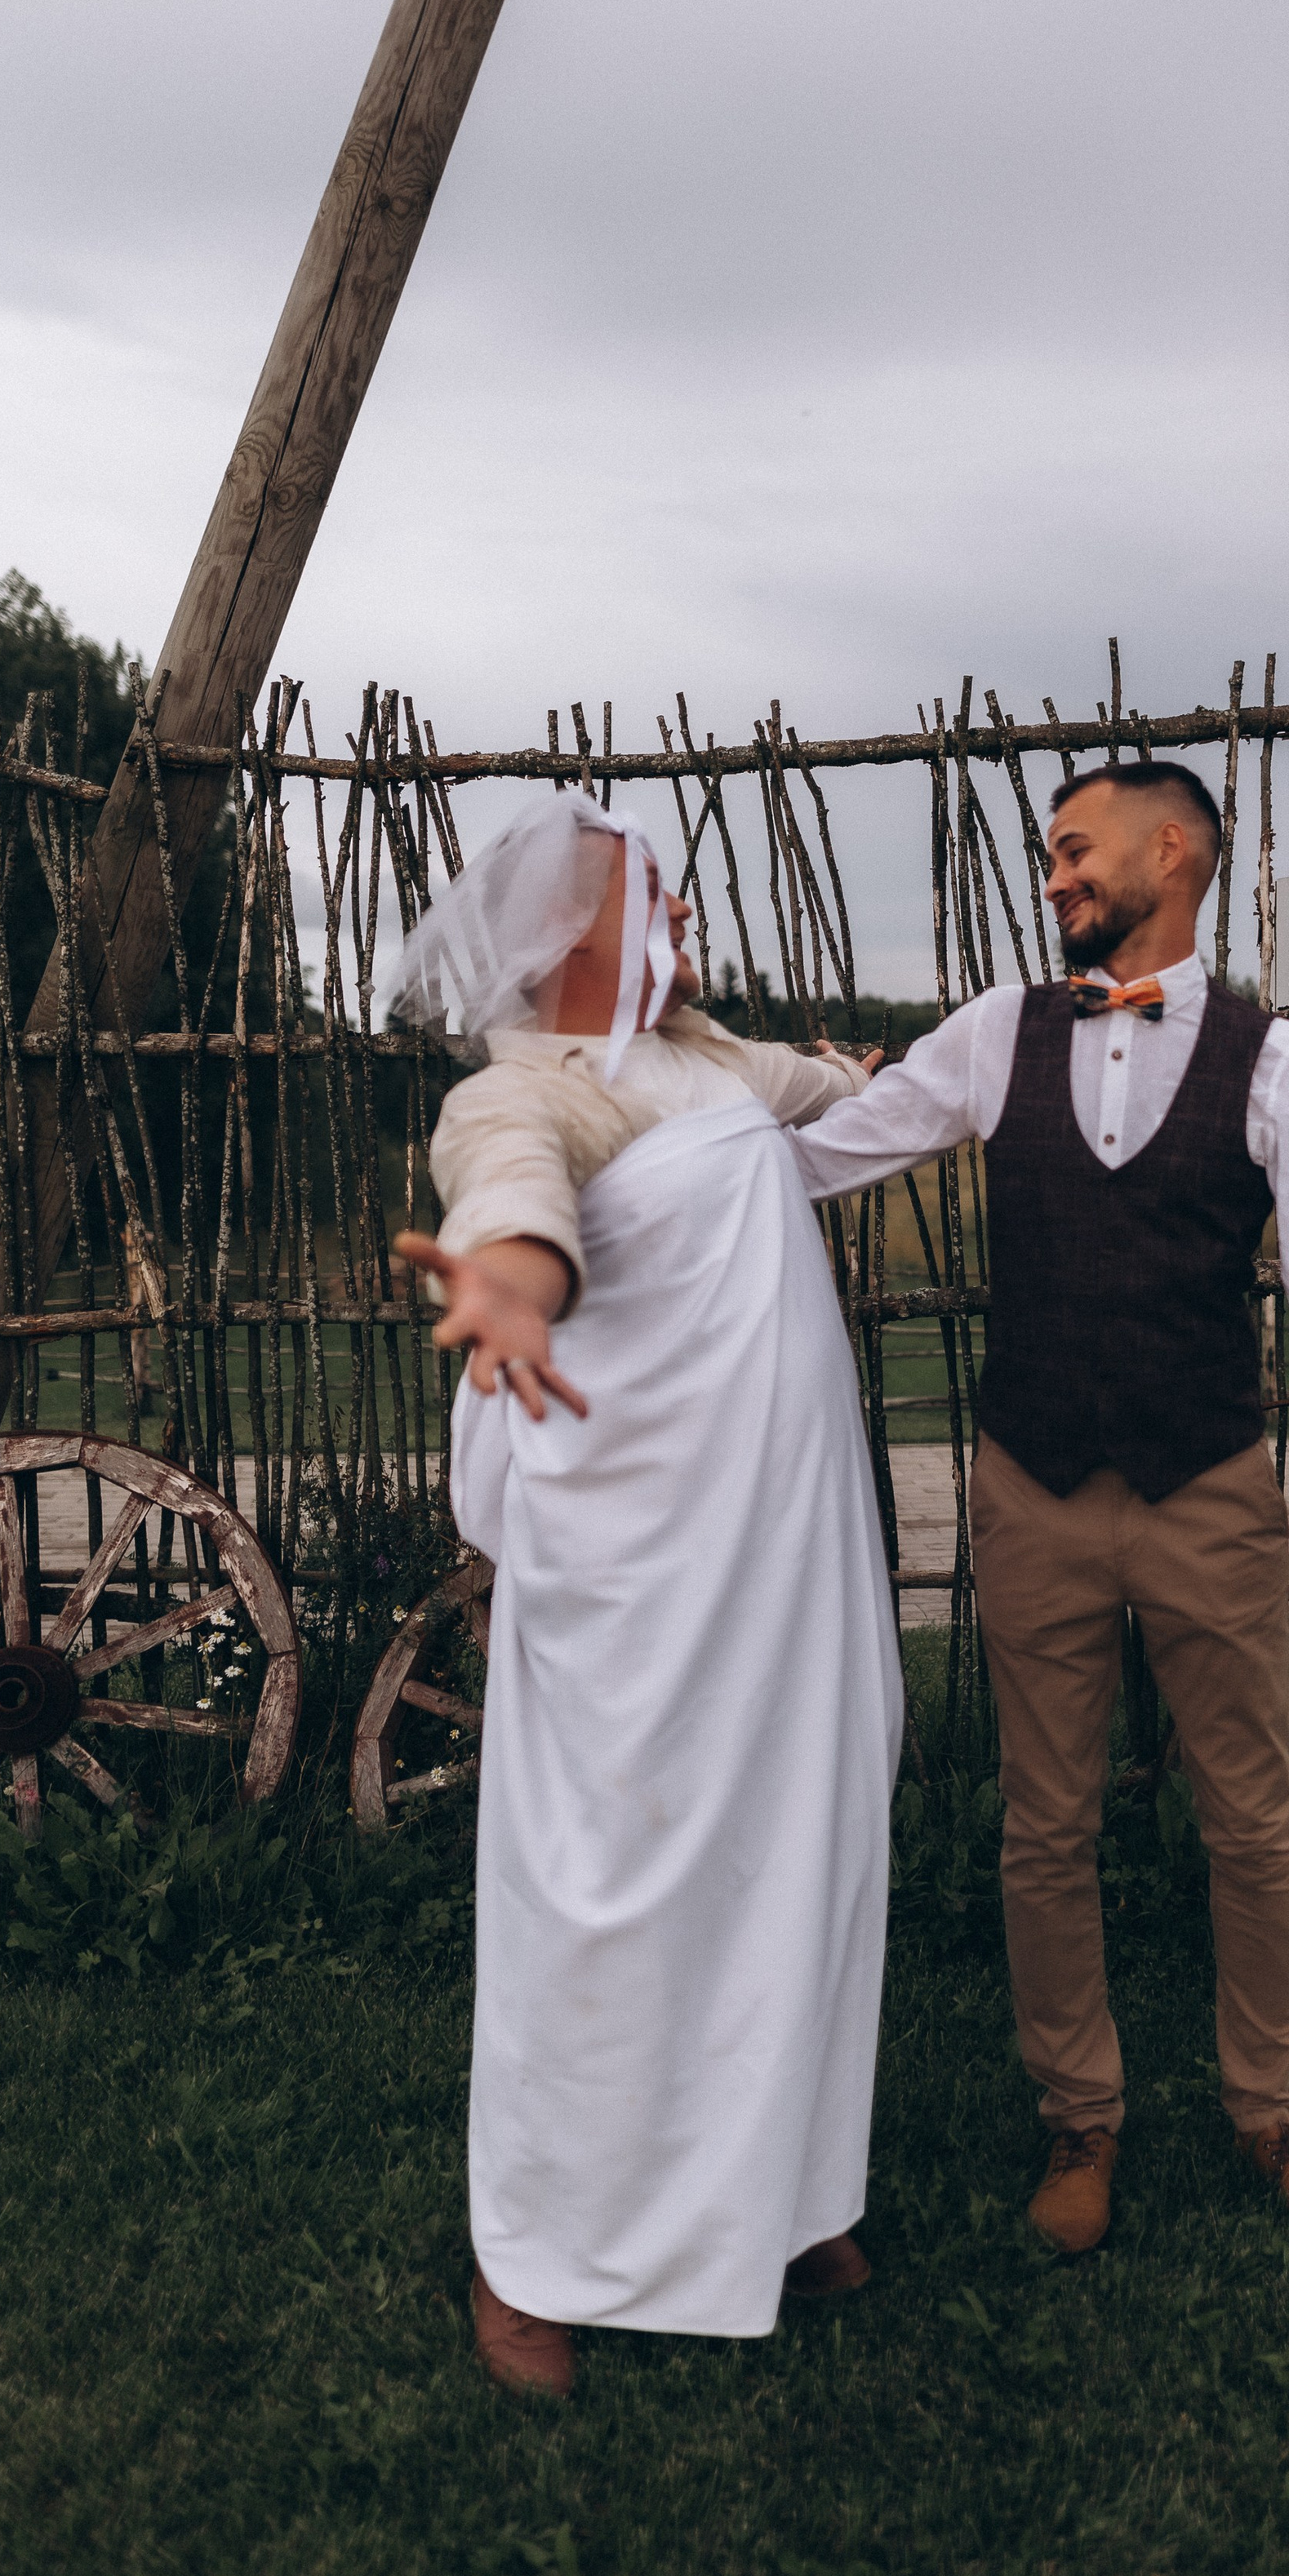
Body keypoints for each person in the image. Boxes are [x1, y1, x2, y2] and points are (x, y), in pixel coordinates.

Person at [789, 759, 1289, 2256]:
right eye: (1050, 859)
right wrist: (627, 1153)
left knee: (1256, 1818)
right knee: (1044, 1824)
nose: (1057, 879)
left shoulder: (1277, 1065)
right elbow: (830, 1152)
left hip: (1206, 1489)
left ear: (1176, 849)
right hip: (1030, 1485)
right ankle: (1077, 2121)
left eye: (1076, 849)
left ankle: (1266, 2109)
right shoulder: (993, 1037)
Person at [390, 792, 904, 2396]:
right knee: (609, 1897)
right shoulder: (525, 1093)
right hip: (646, 1584)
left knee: (800, 1858)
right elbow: (514, 1199)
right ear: (562, 937)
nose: (675, 905)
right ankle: (535, 2255)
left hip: (787, 1566)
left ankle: (784, 2194)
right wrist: (505, 1287)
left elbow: (831, 1099)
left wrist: (886, 1081)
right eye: (642, 890)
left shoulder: (714, 1059)